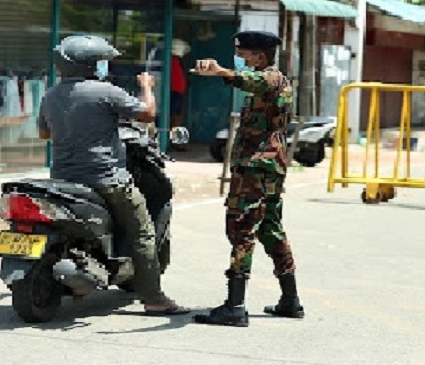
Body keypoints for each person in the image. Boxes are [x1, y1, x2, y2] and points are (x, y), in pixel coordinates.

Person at [38, 35, 189, 315]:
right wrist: (147, 87)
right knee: (143, 232)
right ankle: (154, 298)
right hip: (106, 179)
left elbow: (44, 133)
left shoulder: (51, 95)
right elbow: (147, 114)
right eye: (101, 62)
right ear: (91, 65)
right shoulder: (105, 91)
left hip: (63, 181)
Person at [191, 30, 304, 328]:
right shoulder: (270, 81)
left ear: (261, 56)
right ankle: (290, 300)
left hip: (256, 165)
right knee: (270, 227)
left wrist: (221, 72)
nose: (241, 59)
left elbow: (251, 81)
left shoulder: (270, 78)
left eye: (246, 55)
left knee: (242, 227)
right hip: (268, 166)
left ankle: (235, 306)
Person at [170, 39, 190, 128]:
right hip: (174, 89)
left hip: (177, 89)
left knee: (176, 112)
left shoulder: (177, 60)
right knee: (174, 112)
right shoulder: (172, 60)